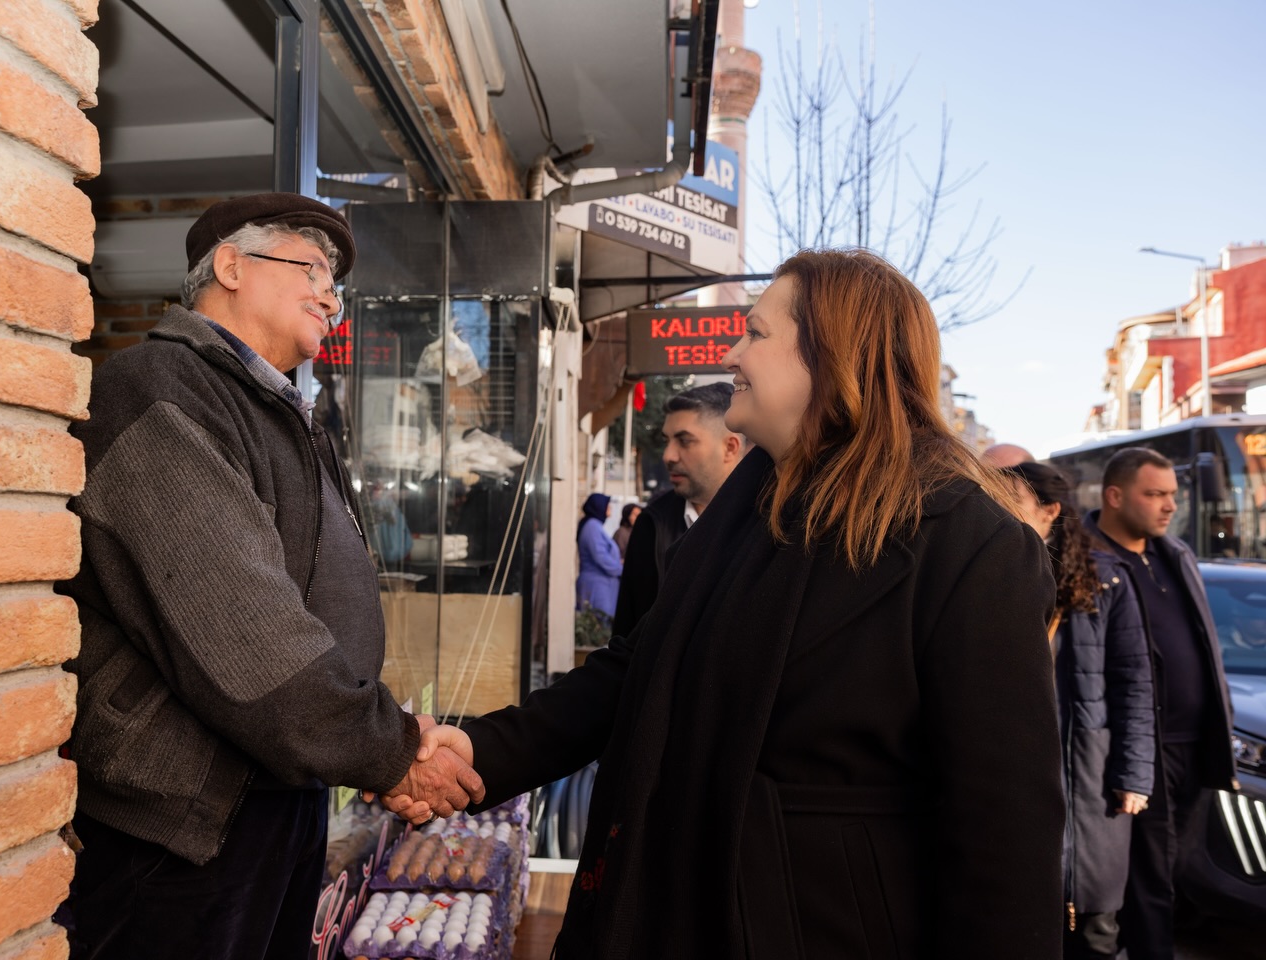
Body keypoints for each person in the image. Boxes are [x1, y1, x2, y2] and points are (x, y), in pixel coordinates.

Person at [391, 249, 1066, 958]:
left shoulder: (969, 542)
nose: (732, 353)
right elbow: (637, 671)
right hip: (662, 916)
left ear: (834, 356)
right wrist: (481, 749)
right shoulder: (747, 504)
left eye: (757, 333)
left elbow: (1006, 832)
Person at [57, 193, 482, 960]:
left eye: (335, 284)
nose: (330, 296)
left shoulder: (278, 408)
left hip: (279, 792)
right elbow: (245, 632)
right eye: (312, 268)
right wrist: (392, 752)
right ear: (230, 266)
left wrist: (376, 741)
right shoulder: (161, 385)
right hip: (186, 822)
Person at [1083, 447, 1239, 960]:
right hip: (1135, 749)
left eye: (1172, 494)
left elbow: (1206, 644)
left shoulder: (1176, 554)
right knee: (1149, 880)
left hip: (1194, 744)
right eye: (1154, 494)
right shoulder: (1086, 561)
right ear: (1114, 496)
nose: (1170, 505)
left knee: (1170, 871)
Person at [1005, 462, 1155, 959]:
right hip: (1024, 772)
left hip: (1093, 776)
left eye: (1011, 502)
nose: (997, 511)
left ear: (1049, 511)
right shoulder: (994, 572)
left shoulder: (1106, 579)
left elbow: (1135, 682)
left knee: (1094, 921)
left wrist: (1135, 775)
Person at [613, 382, 746, 638]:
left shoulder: (771, 524)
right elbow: (628, 636)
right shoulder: (651, 525)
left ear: (730, 447)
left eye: (684, 441)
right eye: (667, 441)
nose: (668, 456)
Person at [576, 493, 622, 620]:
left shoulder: (595, 525)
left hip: (601, 585)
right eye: (607, 505)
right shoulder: (592, 527)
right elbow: (601, 557)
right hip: (597, 586)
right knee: (599, 623)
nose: (610, 508)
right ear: (599, 506)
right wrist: (621, 569)